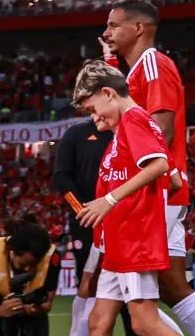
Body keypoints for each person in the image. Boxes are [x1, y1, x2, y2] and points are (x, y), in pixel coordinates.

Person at [101, 0, 195, 335]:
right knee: (171, 286)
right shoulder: (137, 72)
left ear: (138, 28)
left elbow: (162, 130)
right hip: (159, 191)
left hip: (155, 193)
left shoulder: (153, 64)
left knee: (136, 301)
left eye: (113, 25)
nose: (106, 31)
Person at [70, 61, 179, 336]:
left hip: (133, 240)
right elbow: (174, 181)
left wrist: (112, 200)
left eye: (93, 109)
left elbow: (160, 166)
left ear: (108, 93)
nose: (94, 118)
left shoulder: (133, 119)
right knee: (98, 321)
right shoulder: (129, 128)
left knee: (144, 323)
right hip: (119, 241)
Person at [52, 111, 119, 334]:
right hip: (86, 221)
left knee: (133, 292)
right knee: (88, 283)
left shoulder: (125, 131)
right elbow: (61, 176)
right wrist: (81, 210)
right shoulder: (76, 134)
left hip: (124, 219)